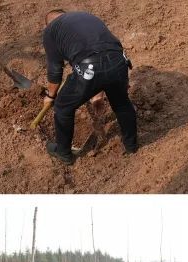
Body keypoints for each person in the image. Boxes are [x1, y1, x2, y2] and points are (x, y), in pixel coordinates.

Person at [41, 10, 137, 165]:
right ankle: (132, 146)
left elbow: (55, 69)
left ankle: (63, 153)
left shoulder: (50, 31)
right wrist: (97, 92)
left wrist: (51, 96)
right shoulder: (84, 17)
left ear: (47, 25)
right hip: (119, 60)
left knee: (63, 107)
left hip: (90, 68)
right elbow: (103, 51)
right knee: (121, 103)